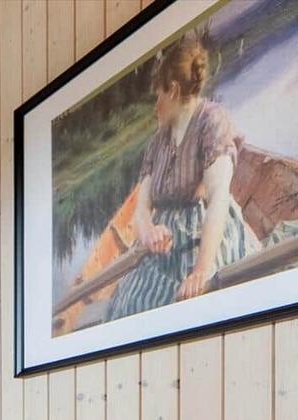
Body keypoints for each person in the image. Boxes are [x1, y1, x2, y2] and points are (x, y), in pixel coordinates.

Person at [107, 34, 251, 321]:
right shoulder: (156, 144)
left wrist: (200, 270)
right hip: (162, 248)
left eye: (157, 95)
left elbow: (218, 199)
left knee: (195, 304)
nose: (154, 105)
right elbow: (141, 210)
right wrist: (148, 231)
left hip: (206, 233)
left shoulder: (212, 121)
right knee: (126, 303)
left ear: (172, 90)